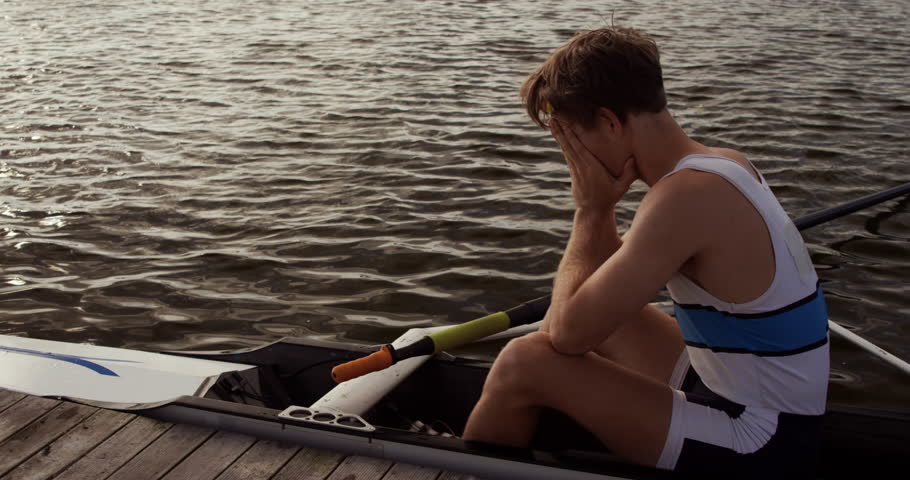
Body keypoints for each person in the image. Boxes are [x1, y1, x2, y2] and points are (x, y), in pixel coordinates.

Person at [462, 27, 830, 477]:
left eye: (573, 141)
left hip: (763, 444)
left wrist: (591, 210)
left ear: (611, 122)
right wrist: (598, 214)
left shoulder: (684, 198)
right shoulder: (723, 163)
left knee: (525, 362)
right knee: (609, 318)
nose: (574, 159)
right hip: (752, 395)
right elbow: (595, 298)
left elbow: (564, 337)